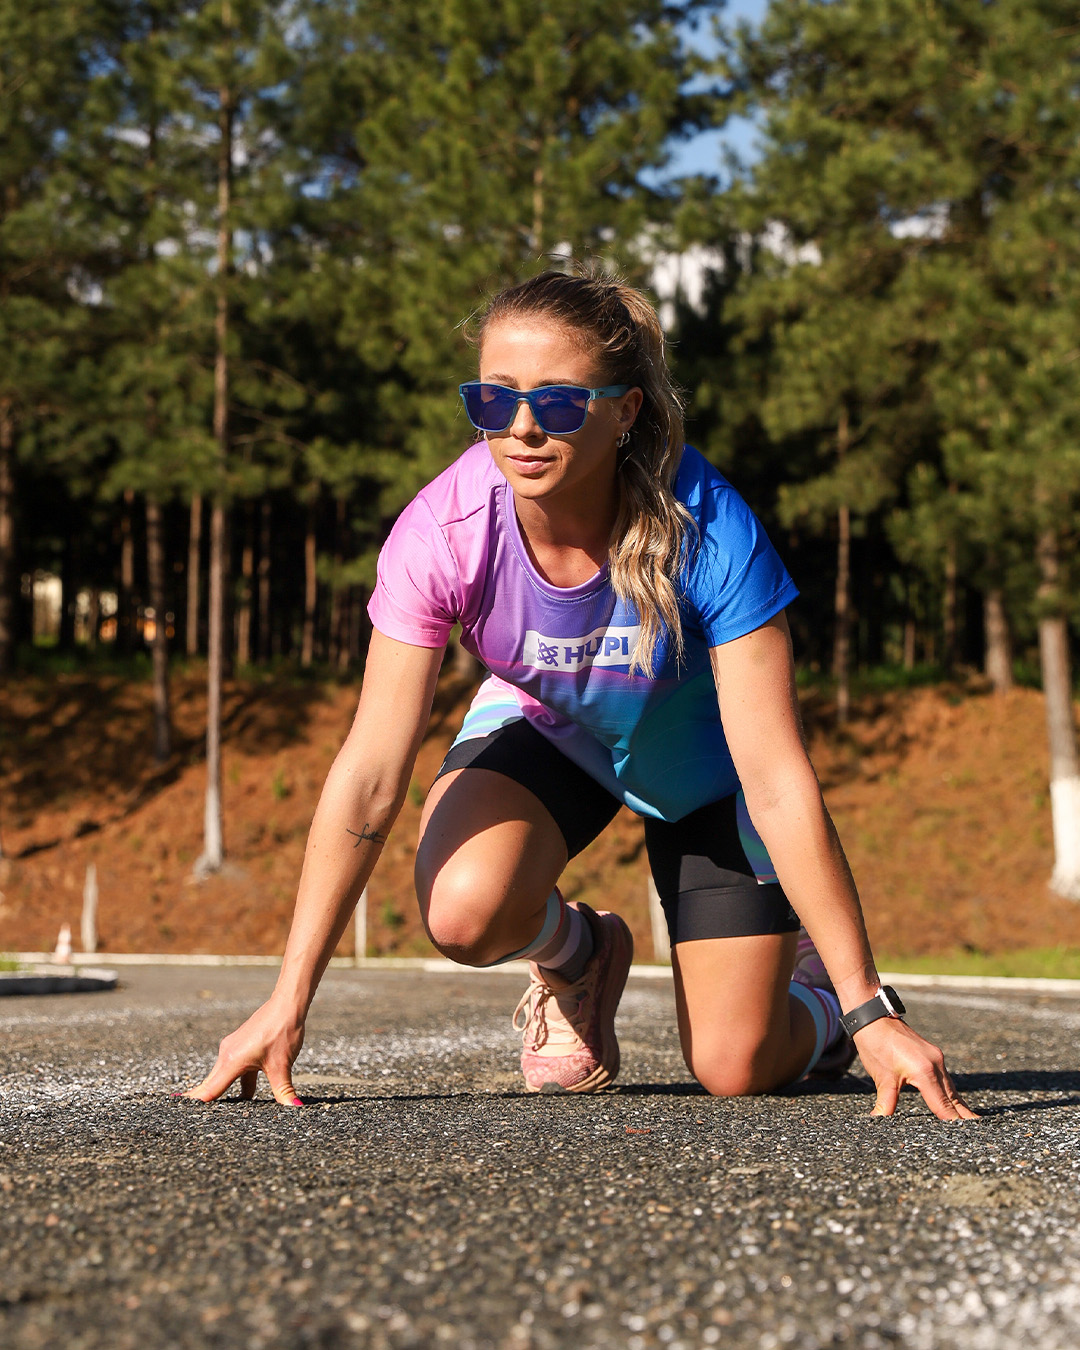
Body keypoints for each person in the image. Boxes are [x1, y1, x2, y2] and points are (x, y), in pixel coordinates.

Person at [184, 269, 976, 1120]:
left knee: (735, 1065)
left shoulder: (707, 525)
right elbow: (371, 772)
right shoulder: (443, 532)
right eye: (494, 400)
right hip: (558, 730)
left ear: (624, 410)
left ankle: (813, 995)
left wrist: (867, 1007)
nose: (521, 429)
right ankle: (581, 955)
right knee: (462, 911)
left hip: (705, 774)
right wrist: (287, 1001)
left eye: (559, 404)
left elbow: (778, 775)